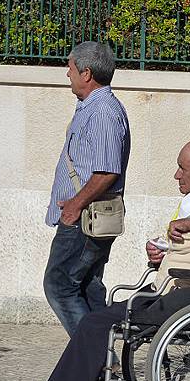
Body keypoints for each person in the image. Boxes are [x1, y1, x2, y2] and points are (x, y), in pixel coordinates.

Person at [43, 139, 190, 381]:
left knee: (95, 323)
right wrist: (163, 250)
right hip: (177, 289)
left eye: (183, 168)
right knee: (96, 321)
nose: (176, 175)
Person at [43, 41, 131, 337]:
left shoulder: (103, 111)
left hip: (85, 218)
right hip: (84, 215)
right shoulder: (91, 107)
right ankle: (105, 369)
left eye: (70, 68)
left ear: (87, 73)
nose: (67, 74)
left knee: (60, 285)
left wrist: (74, 205)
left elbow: (106, 171)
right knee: (87, 287)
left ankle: (90, 359)